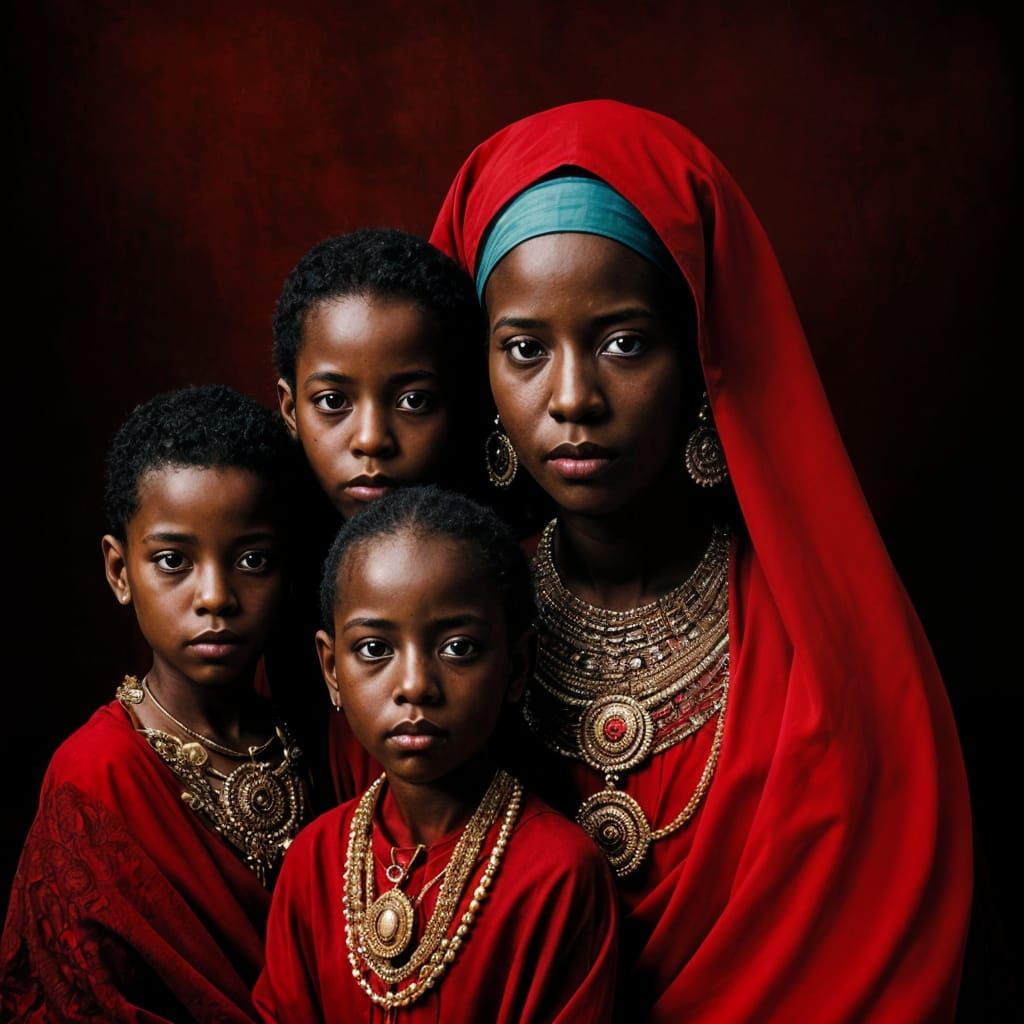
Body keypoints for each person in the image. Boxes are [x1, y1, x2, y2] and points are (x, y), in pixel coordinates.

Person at [429, 100, 973, 1022]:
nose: (572, 398)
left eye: (623, 343)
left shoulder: (815, 647)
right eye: (524, 349)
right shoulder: (437, 623)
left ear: (701, 356)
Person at [1, 386, 309, 1023]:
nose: (215, 596)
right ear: (119, 571)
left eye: (252, 559)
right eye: (173, 561)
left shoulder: (319, 734)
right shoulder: (95, 776)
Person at [253, 486, 618, 1022]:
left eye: (458, 648)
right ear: (332, 670)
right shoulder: (313, 861)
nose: (415, 685)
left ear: (516, 667)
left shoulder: (557, 875)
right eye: (375, 649)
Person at [269, 229, 487, 804]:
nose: (371, 440)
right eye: (333, 402)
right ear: (290, 408)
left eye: (413, 400)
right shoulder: (263, 571)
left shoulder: (496, 574)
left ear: (458, 403)